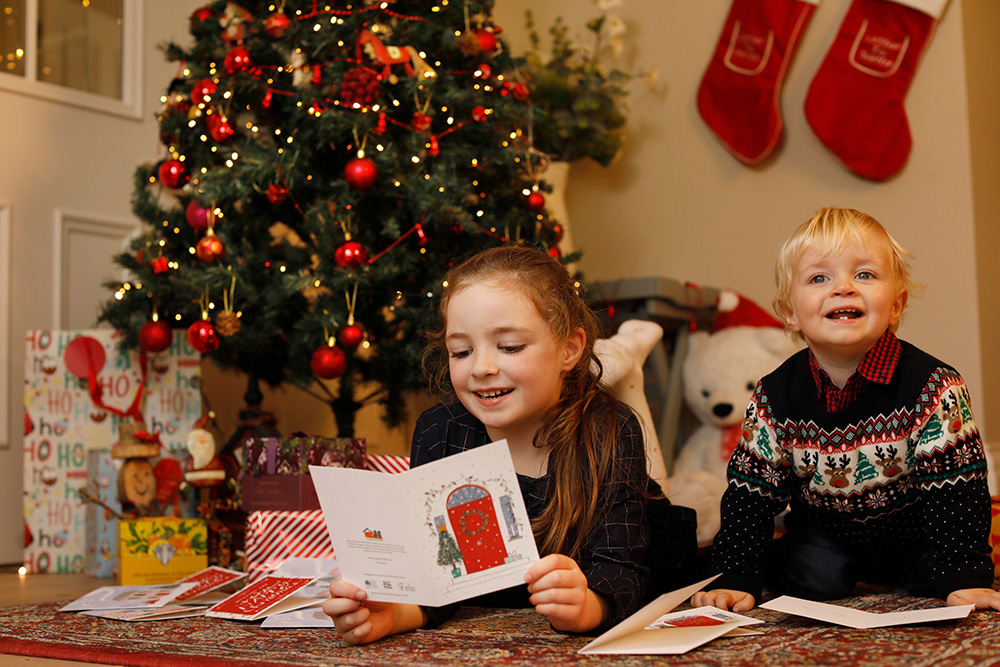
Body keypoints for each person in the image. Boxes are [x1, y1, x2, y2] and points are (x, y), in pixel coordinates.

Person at [323, 245, 695, 644]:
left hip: (638, 563)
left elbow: (621, 568)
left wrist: (589, 605)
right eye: (461, 352)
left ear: (569, 349)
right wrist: (393, 614)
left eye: (510, 347)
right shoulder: (440, 431)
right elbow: (439, 572)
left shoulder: (610, 429)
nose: (481, 367)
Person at [693, 207, 1000, 613]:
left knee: (940, 578)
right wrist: (734, 576)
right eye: (820, 278)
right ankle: (729, 565)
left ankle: (939, 574)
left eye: (865, 275)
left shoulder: (934, 386)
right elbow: (751, 494)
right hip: (826, 535)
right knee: (815, 576)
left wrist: (964, 575)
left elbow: (959, 490)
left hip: (918, 533)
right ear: (789, 312)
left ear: (896, 305)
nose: (843, 288)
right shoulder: (774, 395)